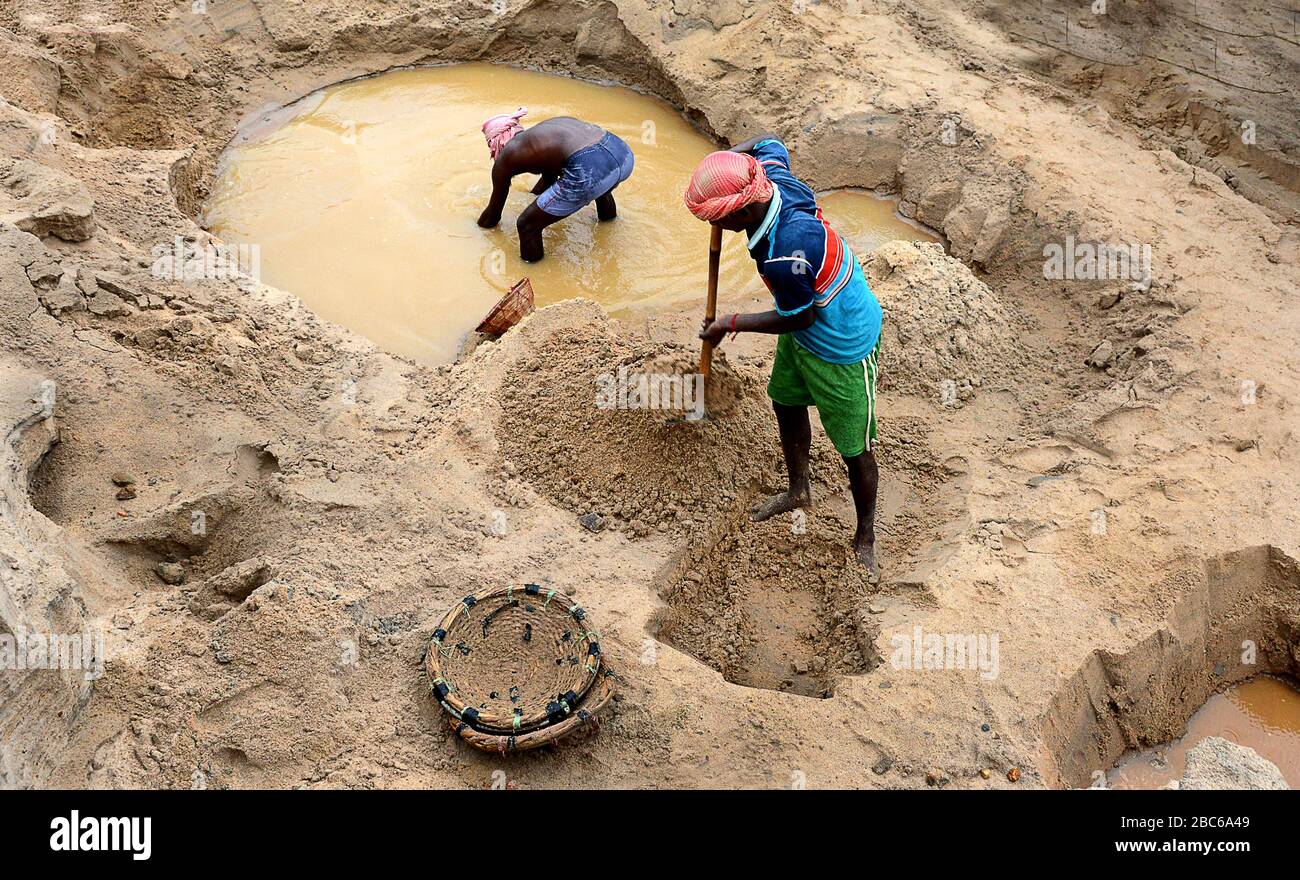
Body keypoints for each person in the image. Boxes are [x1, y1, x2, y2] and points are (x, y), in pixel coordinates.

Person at [687, 136, 884, 578]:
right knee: (786, 401)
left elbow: (798, 319)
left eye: (714, 218)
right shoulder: (771, 180)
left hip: (840, 341)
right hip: (805, 320)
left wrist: (729, 323)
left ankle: (865, 536)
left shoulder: (783, 252)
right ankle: (799, 490)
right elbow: (769, 142)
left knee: (854, 446)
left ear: (738, 214)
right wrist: (725, 163)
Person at [477, 109, 635, 262]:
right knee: (600, 185)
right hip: (621, 152)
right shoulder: (541, 137)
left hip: (590, 167)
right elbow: (549, 180)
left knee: (527, 224)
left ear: (496, 141)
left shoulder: (507, 156)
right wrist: (532, 200)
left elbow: (492, 217)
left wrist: (473, 227)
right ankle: (609, 225)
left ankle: (535, 274)